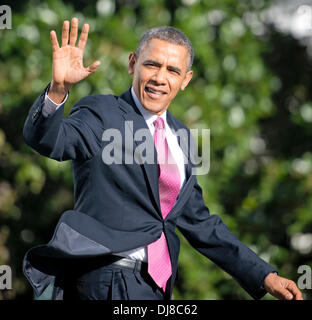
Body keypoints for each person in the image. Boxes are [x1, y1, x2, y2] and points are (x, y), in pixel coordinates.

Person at [23, 17, 303, 300]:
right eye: (152, 65)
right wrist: (58, 91)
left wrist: (265, 275)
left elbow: (200, 223)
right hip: (105, 280)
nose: (160, 78)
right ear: (133, 64)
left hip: (155, 287)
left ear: (185, 80)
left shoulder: (181, 136)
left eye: (172, 70)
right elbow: (49, 140)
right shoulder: (102, 113)